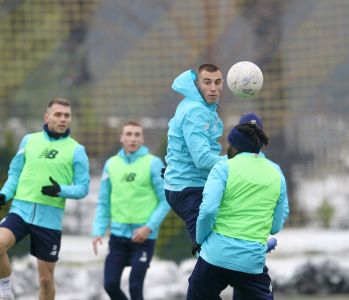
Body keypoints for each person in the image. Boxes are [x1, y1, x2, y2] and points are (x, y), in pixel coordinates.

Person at [0, 98, 90, 300]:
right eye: (58, 114)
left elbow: (83, 188)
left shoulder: (77, 150)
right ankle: (5, 289)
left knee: (46, 281)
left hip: (49, 220)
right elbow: (15, 172)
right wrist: (4, 194)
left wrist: (60, 190)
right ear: (47, 116)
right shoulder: (29, 140)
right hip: (20, 211)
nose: (63, 119)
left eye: (67, 115)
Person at [187, 122, 289, 299]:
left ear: (235, 147)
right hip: (251, 261)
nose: (226, 147)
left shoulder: (223, 167)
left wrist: (200, 239)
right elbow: (275, 227)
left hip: (215, 256)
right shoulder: (276, 174)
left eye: (228, 143)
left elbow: (209, 210)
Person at [92, 121, 170, 300]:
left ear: (142, 139)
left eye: (137, 135)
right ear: (121, 138)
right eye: (128, 134)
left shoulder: (153, 163)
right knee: (110, 285)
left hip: (143, 237)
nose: (132, 138)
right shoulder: (111, 164)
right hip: (118, 238)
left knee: (135, 287)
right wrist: (98, 231)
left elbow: (166, 199)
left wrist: (149, 227)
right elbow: (104, 202)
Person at [164, 63, 225, 254]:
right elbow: (203, 160)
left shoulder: (197, 105)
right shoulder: (195, 111)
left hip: (187, 184)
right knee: (209, 254)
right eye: (207, 82)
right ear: (197, 84)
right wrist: (236, 162)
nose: (213, 88)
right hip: (189, 189)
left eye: (217, 82)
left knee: (215, 249)